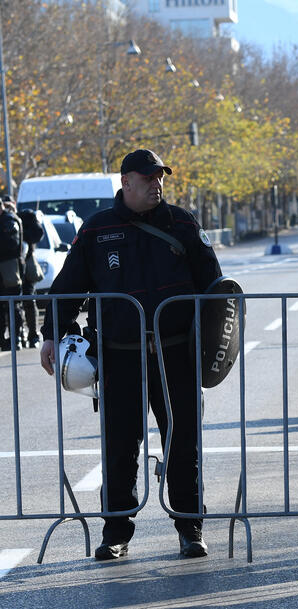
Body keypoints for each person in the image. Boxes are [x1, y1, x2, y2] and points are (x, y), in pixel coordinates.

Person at [39, 149, 222, 561]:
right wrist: (52, 334)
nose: (156, 184)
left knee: (183, 442)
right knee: (120, 446)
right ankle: (115, 532)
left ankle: (190, 529)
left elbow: (216, 288)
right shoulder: (98, 229)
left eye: (160, 177)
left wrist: (216, 347)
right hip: (120, 356)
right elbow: (69, 287)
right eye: (148, 178)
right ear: (127, 182)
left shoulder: (182, 222)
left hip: (175, 354)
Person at [17, 202, 44, 348]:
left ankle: (33, 334)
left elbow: (38, 234)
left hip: (27, 266)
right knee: (14, 304)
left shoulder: (25, 216)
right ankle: (19, 334)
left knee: (29, 299)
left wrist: (22, 235)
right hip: (9, 268)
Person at [0, 196, 22, 351]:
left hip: (9, 269)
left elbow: (11, 243)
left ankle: (16, 338)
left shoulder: (9, 220)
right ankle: (1, 339)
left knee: (13, 305)